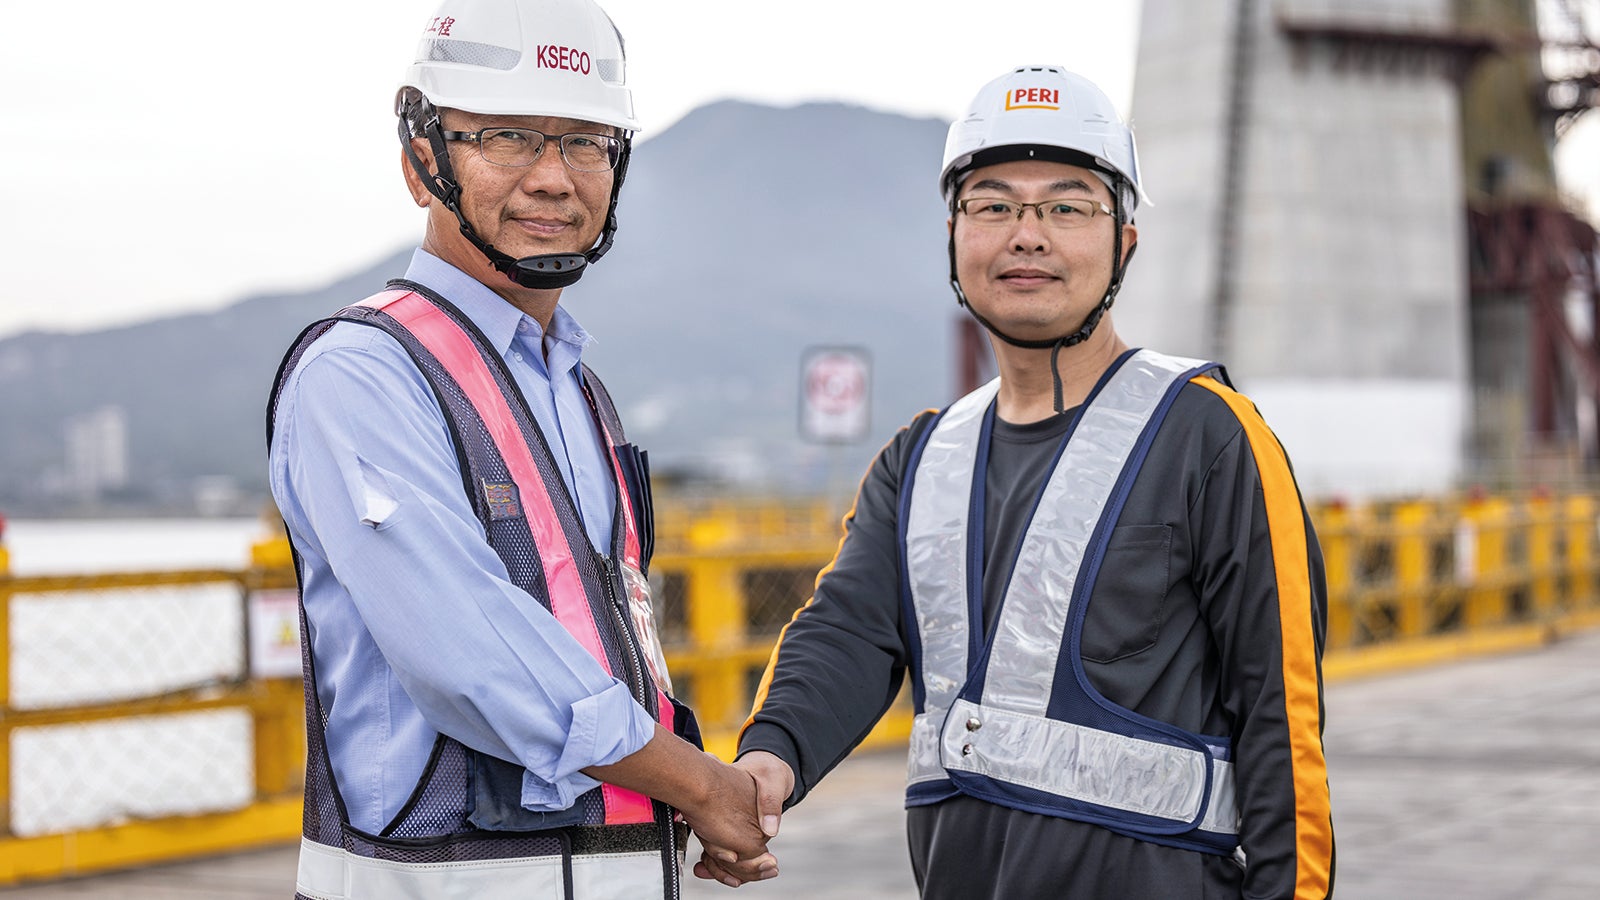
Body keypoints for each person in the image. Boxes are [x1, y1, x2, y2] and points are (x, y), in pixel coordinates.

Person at [705, 65, 1336, 898]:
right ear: (955, 238)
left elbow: (1280, 724)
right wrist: (767, 762)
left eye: (1066, 207)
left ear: (1126, 240)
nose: (1026, 235)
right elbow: (849, 633)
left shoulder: (1211, 438)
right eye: (992, 206)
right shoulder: (921, 459)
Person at [266, 0, 775, 896]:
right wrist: (702, 785)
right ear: (421, 161)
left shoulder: (575, 386)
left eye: (585, 143)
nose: (553, 178)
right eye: (508, 137)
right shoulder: (362, 373)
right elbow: (469, 653)